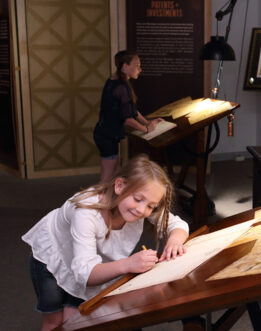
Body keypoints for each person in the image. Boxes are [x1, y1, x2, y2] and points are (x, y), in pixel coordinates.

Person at [22, 154, 189, 331]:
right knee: (54, 322)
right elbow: (85, 274)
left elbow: (178, 225)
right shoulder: (85, 212)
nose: (142, 210)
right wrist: (129, 264)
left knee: (75, 320)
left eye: (151, 207)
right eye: (138, 199)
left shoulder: (141, 202)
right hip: (53, 257)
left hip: (86, 260)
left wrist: (174, 241)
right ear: (119, 186)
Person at [94, 50, 162, 181]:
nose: (140, 69)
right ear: (125, 67)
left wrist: (147, 122)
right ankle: (100, 201)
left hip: (106, 134)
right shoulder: (121, 87)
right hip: (106, 136)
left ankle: (114, 200)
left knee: (117, 171)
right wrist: (146, 130)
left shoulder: (115, 81)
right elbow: (127, 119)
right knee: (107, 175)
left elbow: (132, 110)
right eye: (137, 65)